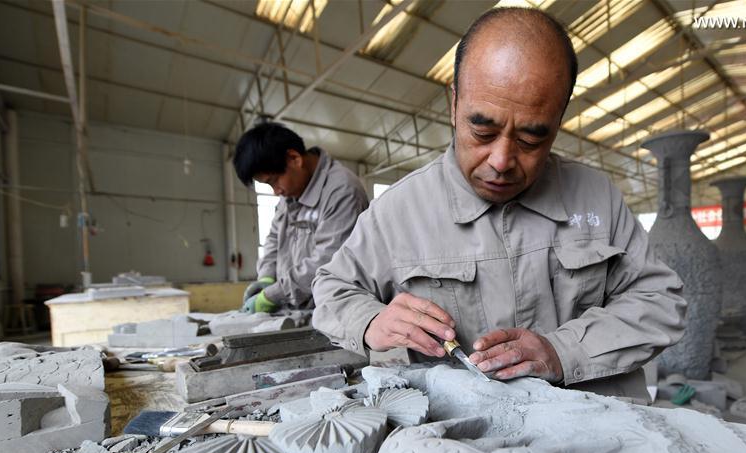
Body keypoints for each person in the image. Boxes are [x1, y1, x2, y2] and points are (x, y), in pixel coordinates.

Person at [311, 7, 686, 399]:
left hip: (598, 429)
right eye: (483, 130)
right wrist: (371, 320)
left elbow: (660, 301)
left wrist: (564, 351)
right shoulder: (398, 212)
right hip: (466, 448)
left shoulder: (596, 199)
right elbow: (333, 289)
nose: (501, 161)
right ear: (453, 103)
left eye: (530, 139)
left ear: (558, 121)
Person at [233, 122, 369, 313]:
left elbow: (328, 261)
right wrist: (266, 278)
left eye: (273, 181)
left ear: (294, 158)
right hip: (296, 308)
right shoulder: (290, 194)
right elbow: (273, 239)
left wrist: (273, 295)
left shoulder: (341, 191)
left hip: (333, 311)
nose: (276, 192)